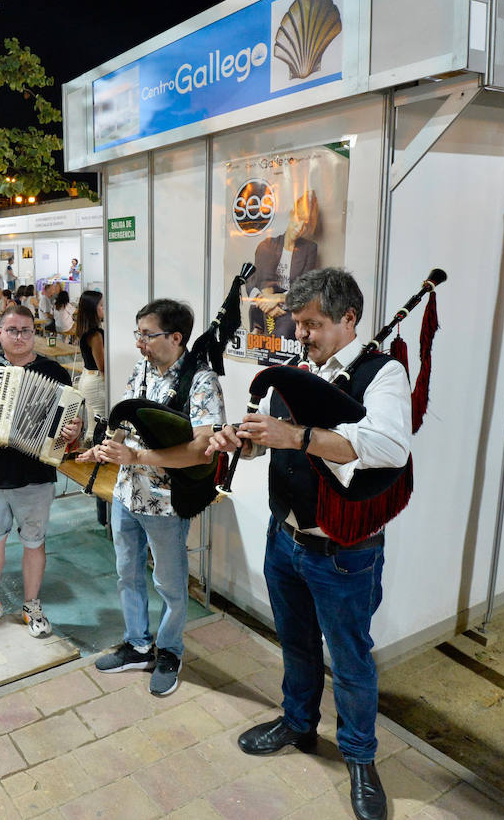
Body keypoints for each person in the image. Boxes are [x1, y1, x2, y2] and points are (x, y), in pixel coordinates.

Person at [207, 268, 411, 820]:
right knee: (296, 645)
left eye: (313, 324)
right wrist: (241, 442)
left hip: (344, 552)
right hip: (287, 538)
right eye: (298, 324)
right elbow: (268, 444)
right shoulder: (297, 372)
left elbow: (388, 446)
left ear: (349, 319)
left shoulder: (381, 374)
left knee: (349, 660)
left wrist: (296, 435)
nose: (302, 335)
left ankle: (360, 759)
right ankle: (298, 724)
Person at [76, 298, 223, 698]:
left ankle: (170, 651)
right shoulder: (142, 368)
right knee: (127, 572)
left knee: (171, 586)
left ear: (175, 337)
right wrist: (105, 447)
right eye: (137, 333)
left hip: (166, 502)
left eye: (147, 334)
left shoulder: (201, 380)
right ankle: (137, 645)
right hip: (126, 493)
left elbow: (202, 450)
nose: (139, 342)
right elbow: (124, 420)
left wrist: (138, 456)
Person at [0, 305, 82, 638]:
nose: (19, 337)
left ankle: (31, 604)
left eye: (26, 330)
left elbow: (73, 422)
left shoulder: (54, 372)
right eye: (12, 330)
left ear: (34, 333)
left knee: (34, 542)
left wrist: (72, 431)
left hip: (35, 474)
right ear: (0, 332)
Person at [249, 190, 320, 338]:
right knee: (258, 337)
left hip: (289, 308)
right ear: (291, 214)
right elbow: (256, 281)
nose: (300, 227)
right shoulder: (269, 245)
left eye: (306, 224)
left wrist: (278, 299)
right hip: (264, 306)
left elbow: (305, 288)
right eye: (298, 218)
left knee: (282, 334)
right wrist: (267, 303)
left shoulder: (309, 249)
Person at [74, 290, 106, 422]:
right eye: (101, 305)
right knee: (100, 424)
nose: (104, 308)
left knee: (93, 426)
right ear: (93, 309)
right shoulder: (96, 335)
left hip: (87, 377)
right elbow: (102, 365)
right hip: (96, 381)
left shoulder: (85, 329)